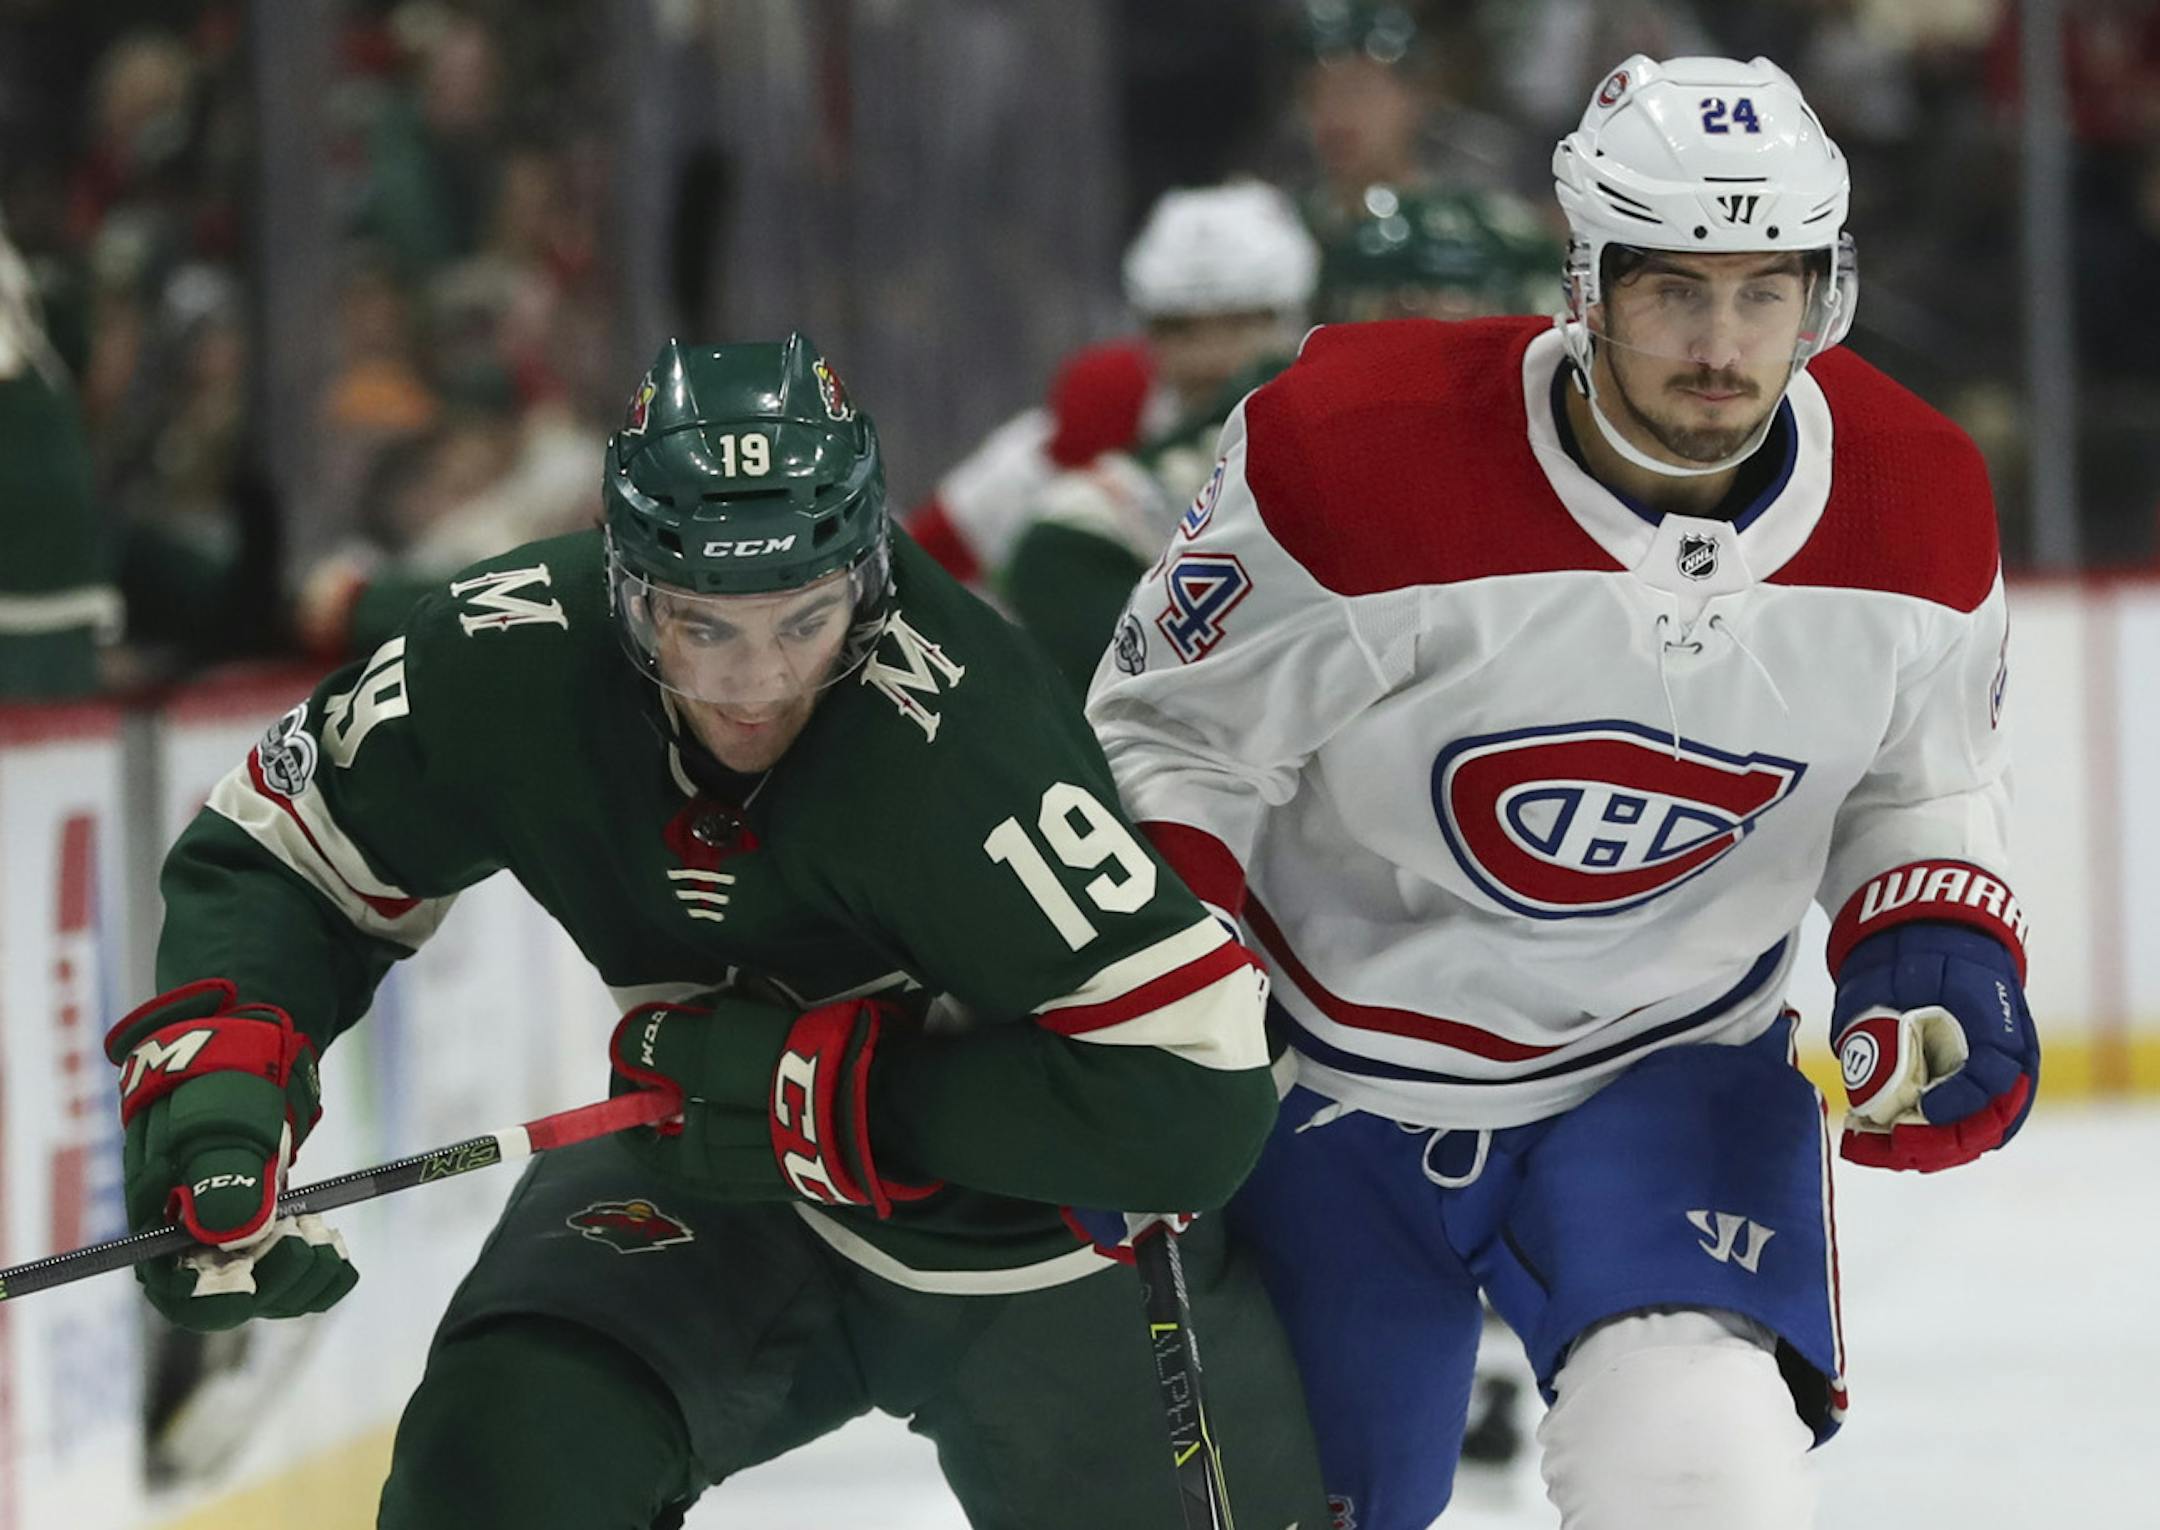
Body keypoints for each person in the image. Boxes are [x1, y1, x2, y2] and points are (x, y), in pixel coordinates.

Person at [103, 334, 1329, 1529]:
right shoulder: (508, 651)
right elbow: (281, 856)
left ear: (866, 581)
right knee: (504, 1455)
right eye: (703, 626)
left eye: (803, 622)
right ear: (626, 586)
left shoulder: (967, 738)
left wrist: (831, 1095)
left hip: (1028, 1230)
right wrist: (217, 1107)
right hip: (722, 1179)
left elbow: (1195, 1100)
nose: (755, 686)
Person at [1086, 54, 2038, 1529]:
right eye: (1673, 291)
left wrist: (1936, 957)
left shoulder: (1915, 499)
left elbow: (1921, 785)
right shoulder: (1353, 449)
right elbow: (1167, 738)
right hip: (1324, 1079)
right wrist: (1136, 1018)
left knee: (1703, 1489)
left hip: (1673, 1071)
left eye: (1763, 291)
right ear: (1584, 283)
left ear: (1822, 294)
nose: (1722, 348)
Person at [904, 180, 1317, 589]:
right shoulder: (1095, 428)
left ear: (1291, 322)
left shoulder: (1334, 429)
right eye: (1177, 329)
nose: (1206, 357)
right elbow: (917, 563)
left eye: (1239, 324)